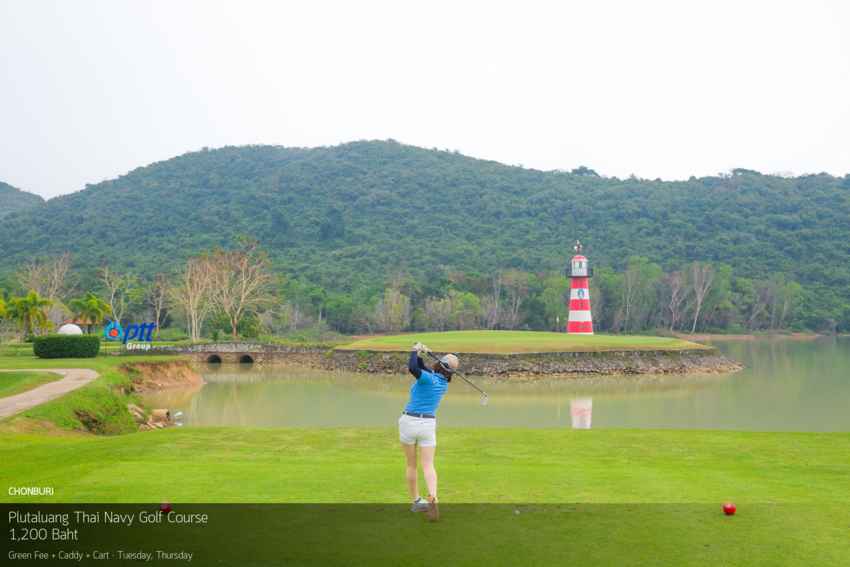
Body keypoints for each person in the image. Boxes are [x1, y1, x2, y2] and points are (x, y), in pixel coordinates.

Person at [399, 341, 459, 522]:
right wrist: (422, 354)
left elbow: (413, 367)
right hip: (428, 426)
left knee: (411, 464)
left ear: (439, 364)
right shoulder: (442, 384)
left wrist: (415, 350)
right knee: (428, 465)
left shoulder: (426, 378)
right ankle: (433, 496)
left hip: (409, 422)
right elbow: (421, 367)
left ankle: (417, 501)